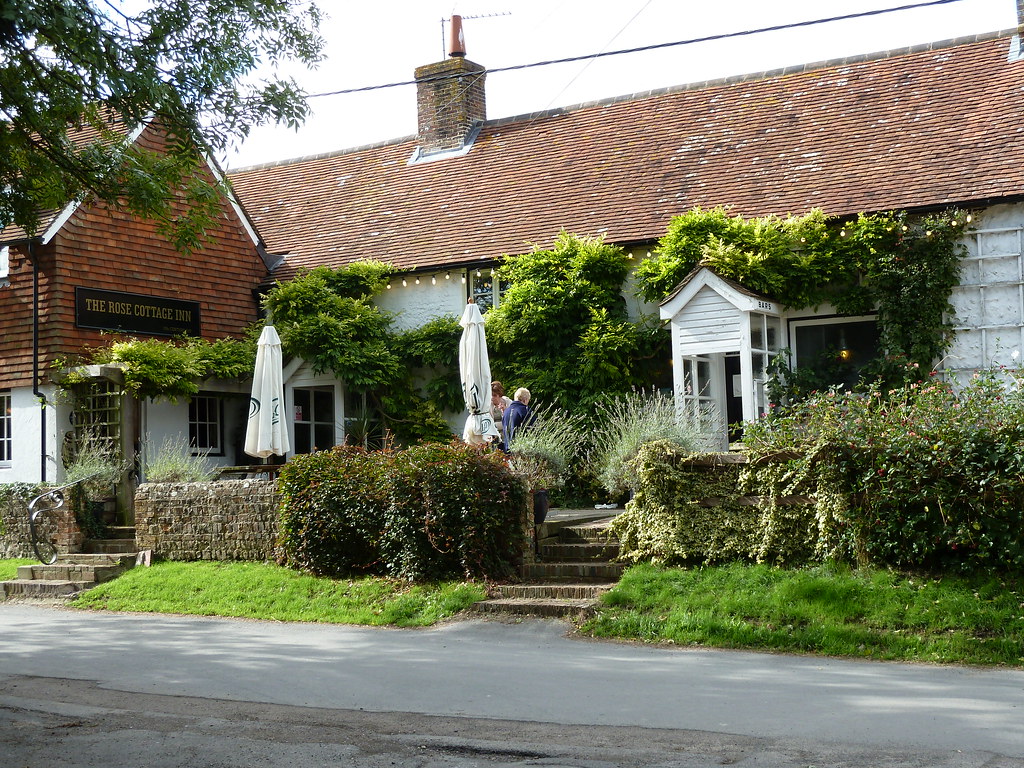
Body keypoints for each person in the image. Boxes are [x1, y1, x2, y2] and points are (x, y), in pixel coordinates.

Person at [502, 387, 532, 452]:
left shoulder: (506, 411)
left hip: (507, 449)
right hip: (521, 451)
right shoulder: (525, 410)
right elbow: (533, 428)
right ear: (525, 400)